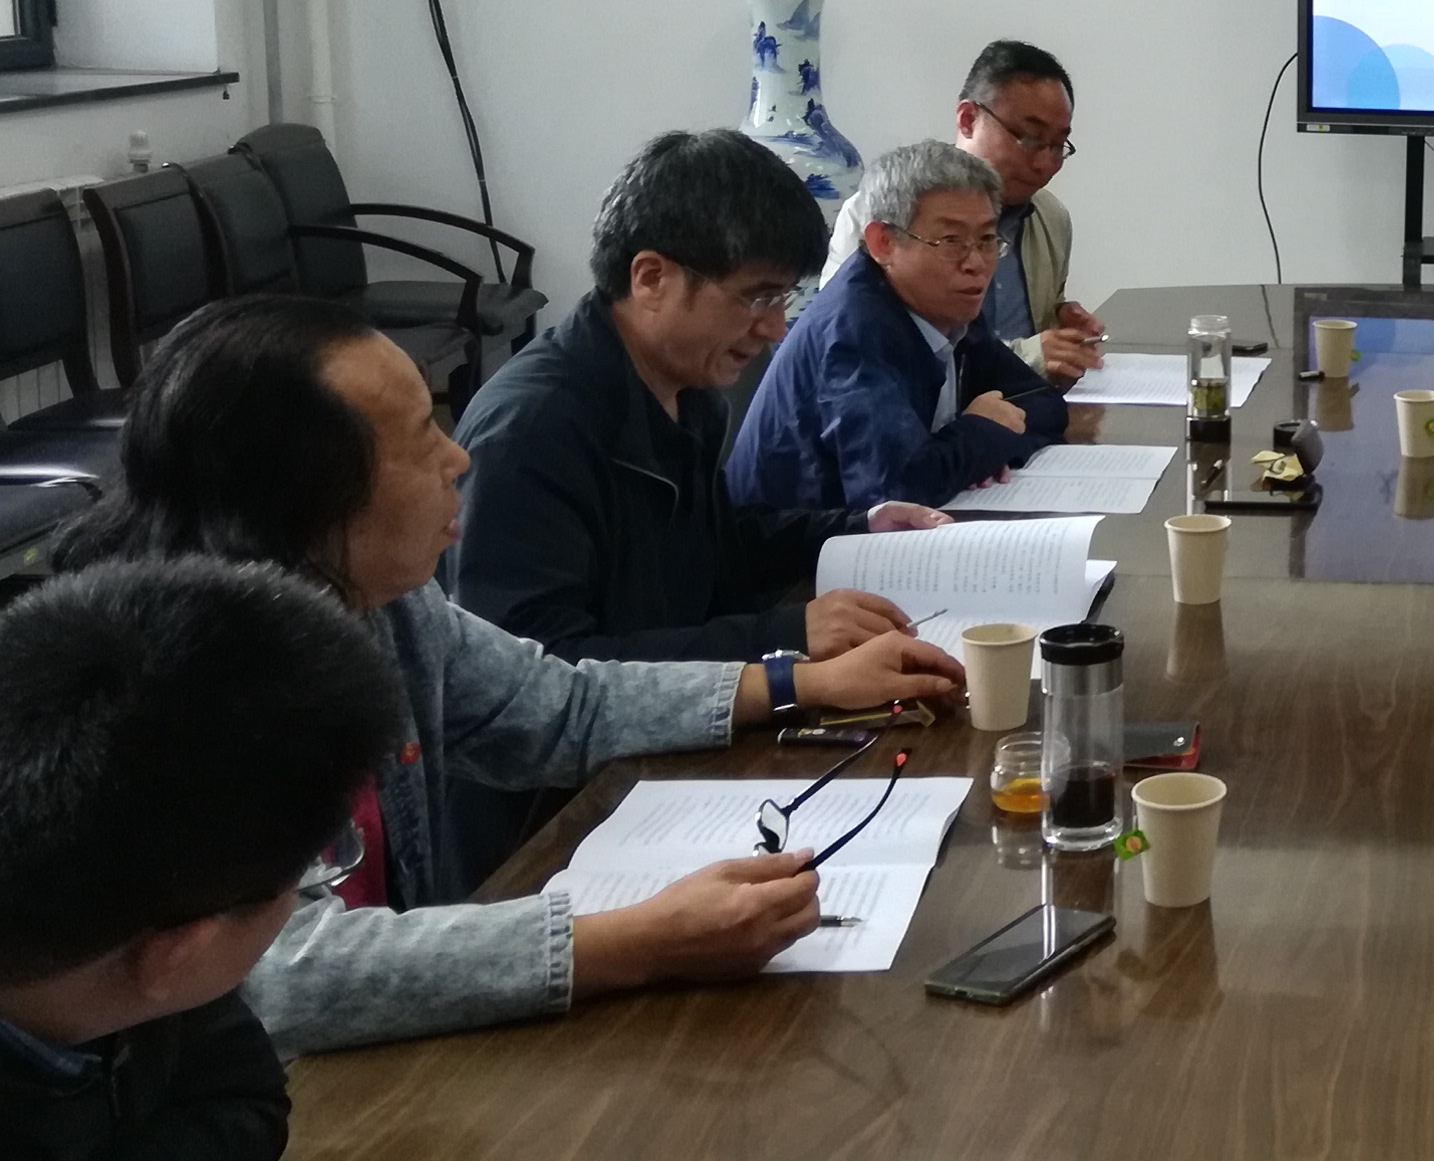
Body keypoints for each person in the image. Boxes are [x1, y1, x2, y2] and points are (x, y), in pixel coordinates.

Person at [53, 295, 968, 1055]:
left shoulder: (380, 600)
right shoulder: (162, 686)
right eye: (421, 438)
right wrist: (630, 943)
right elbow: (282, 976)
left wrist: (797, 683)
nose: (458, 458)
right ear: (301, 492)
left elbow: (556, 708)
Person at [449, 130, 951, 665]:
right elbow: (535, 672)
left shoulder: (687, 388)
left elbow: (711, 550)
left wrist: (859, 528)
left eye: (782, 298)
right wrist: (784, 636)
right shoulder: (530, 432)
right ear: (651, 278)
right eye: (757, 297)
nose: (776, 328)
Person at [0, 557, 402, 1158]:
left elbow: (249, 1098)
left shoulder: (124, 929)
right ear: (175, 957)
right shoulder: (145, 914)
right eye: (309, 870)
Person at [731, 140, 1069, 512]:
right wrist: (981, 437)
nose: (976, 263)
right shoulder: (855, 332)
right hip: (797, 545)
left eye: (987, 239)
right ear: (883, 243)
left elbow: (1044, 405)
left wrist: (983, 451)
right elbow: (895, 492)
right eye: (951, 241)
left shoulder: (948, 304)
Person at [824, 40, 1102, 385]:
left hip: (1028, 404)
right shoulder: (879, 215)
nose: (1045, 164)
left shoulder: (1051, 217)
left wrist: (1061, 318)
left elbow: (1038, 320)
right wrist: (1028, 357)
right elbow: (854, 352)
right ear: (968, 119)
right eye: (1030, 138)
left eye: (1058, 145)